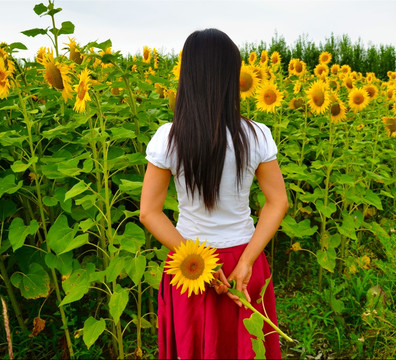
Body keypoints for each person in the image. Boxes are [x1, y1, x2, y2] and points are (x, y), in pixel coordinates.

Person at [139, 28, 288, 359]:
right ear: (231, 78)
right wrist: (247, 262)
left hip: (188, 263)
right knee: (247, 347)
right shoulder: (256, 135)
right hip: (243, 259)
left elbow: (149, 212)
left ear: (188, 75)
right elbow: (278, 202)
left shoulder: (168, 138)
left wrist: (198, 262)